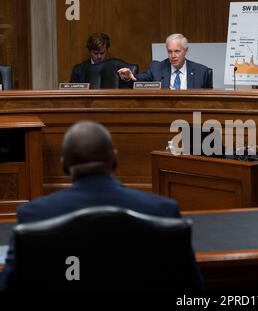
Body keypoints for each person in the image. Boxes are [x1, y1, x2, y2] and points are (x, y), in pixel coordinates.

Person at [0, 120, 202, 290]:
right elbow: (193, 290)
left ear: (64, 165)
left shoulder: (34, 215)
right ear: (115, 158)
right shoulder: (163, 211)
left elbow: (10, 288)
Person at [118, 33, 212, 89]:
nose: (173, 56)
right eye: (170, 51)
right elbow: (138, 83)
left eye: (177, 51)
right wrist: (128, 78)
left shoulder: (201, 72)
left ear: (186, 51)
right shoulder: (157, 68)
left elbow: (209, 101)